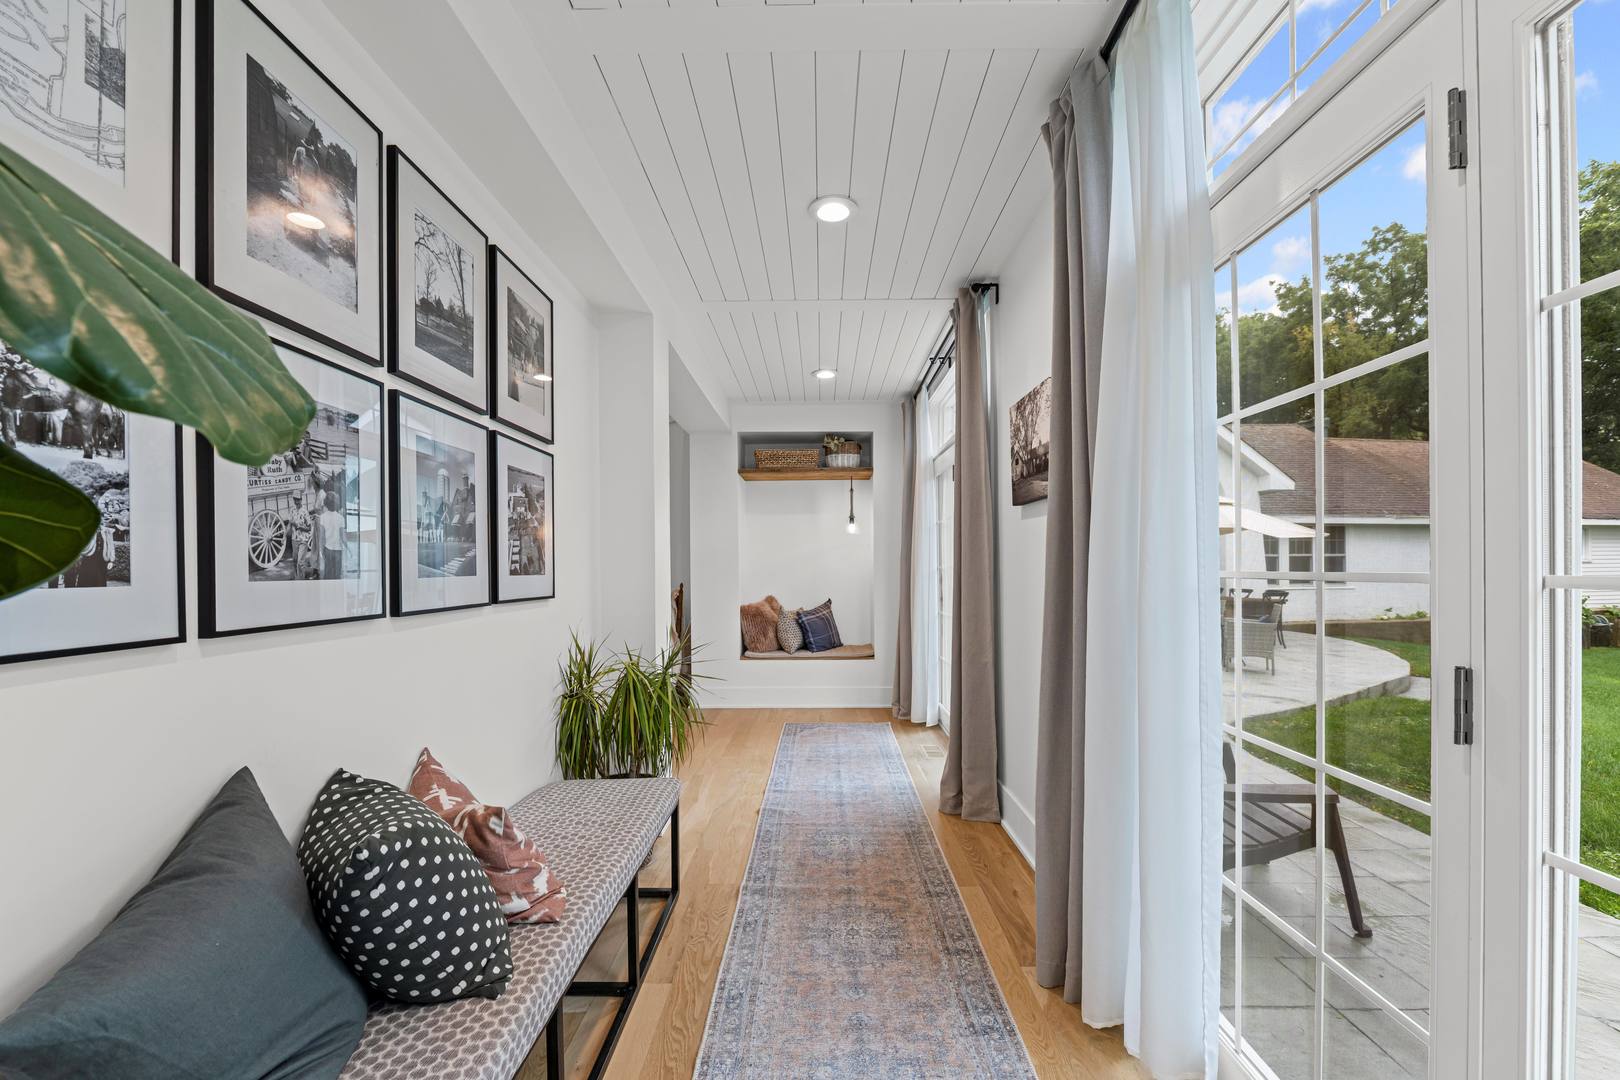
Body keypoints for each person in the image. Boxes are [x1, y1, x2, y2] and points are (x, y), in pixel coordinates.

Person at [317, 491, 346, 580]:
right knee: (337, 575)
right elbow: (343, 537)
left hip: (327, 549)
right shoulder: (341, 518)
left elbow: (322, 537)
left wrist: (321, 551)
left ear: (326, 503)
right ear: (336, 503)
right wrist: (349, 549)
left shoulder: (322, 517)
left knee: (328, 574)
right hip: (338, 551)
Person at [288, 491, 315, 579]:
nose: (297, 502)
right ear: (293, 500)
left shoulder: (305, 511)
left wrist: (299, 526)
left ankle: (301, 580)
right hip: (294, 539)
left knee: (300, 562)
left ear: (301, 499)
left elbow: (309, 528)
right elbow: (289, 524)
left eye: (298, 500)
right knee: (295, 561)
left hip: (303, 539)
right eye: (295, 500)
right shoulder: (292, 510)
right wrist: (284, 536)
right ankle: (297, 578)